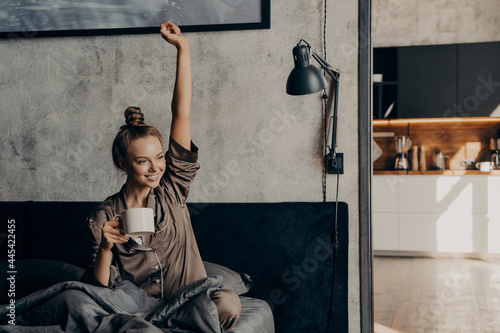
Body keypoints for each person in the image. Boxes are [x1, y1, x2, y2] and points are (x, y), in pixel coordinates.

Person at [81, 21, 241, 331]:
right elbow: (100, 287)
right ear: (122, 163)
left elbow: (181, 113)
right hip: (138, 305)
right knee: (85, 305)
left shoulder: (173, 188)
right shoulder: (103, 215)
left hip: (190, 299)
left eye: (159, 158)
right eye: (143, 161)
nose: (156, 168)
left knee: (227, 303)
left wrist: (184, 49)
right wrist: (105, 248)